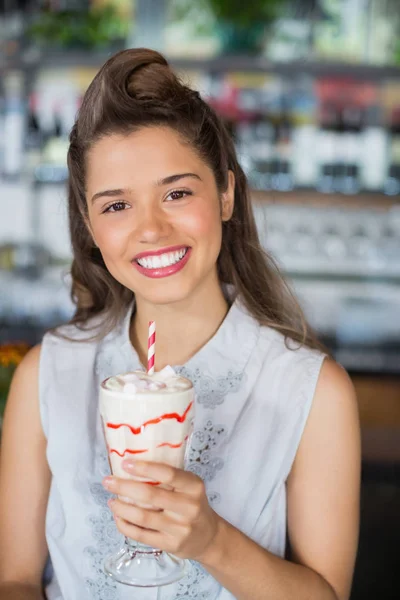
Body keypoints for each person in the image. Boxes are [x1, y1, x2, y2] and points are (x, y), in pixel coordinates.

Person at [0, 48, 360, 600]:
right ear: (90, 225)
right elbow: (15, 579)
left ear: (225, 195)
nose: (151, 228)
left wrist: (212, 540)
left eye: (176, 192)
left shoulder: (311, 390)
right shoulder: (48, 371)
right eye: (117, 206)